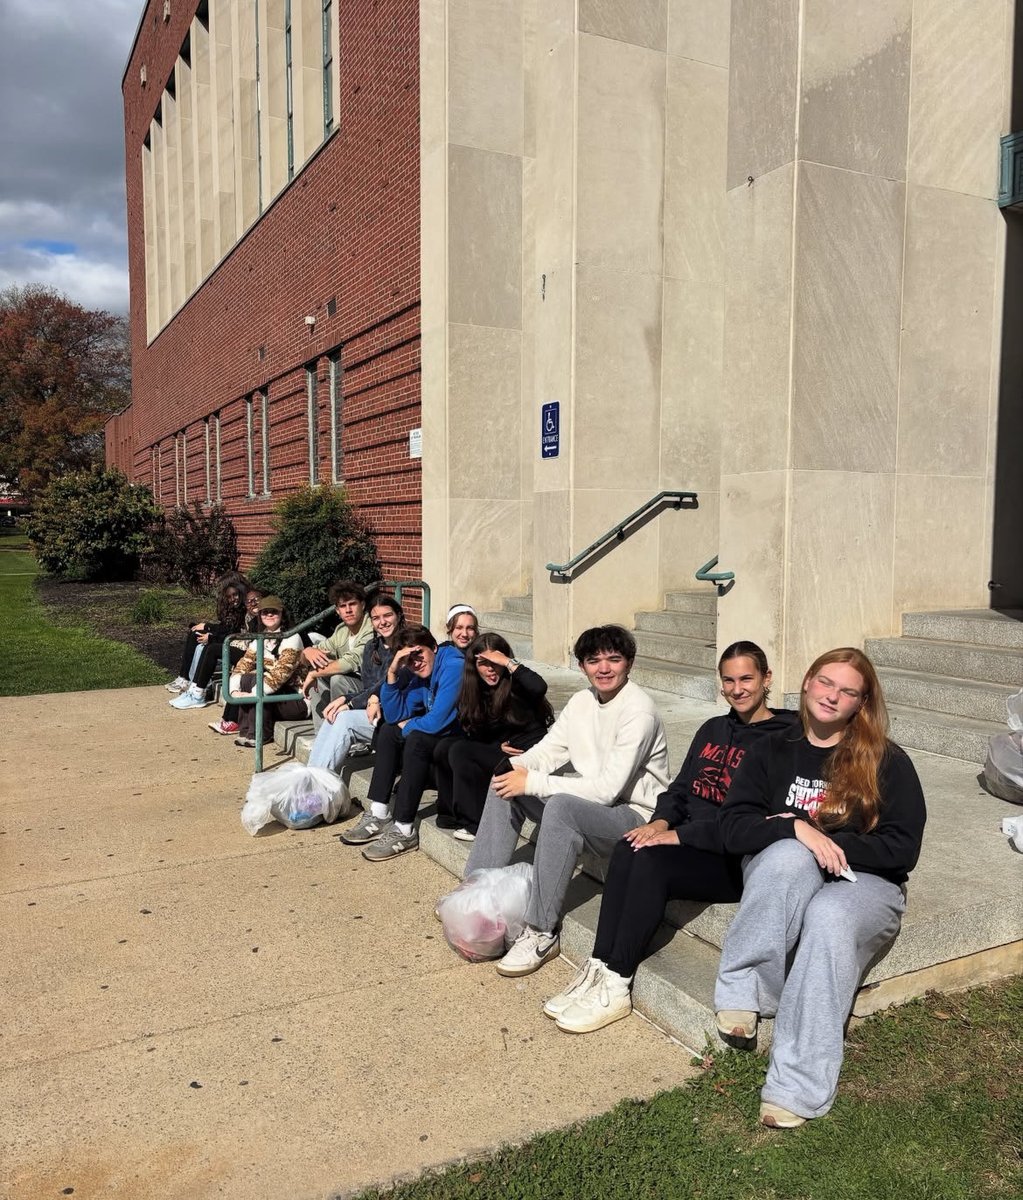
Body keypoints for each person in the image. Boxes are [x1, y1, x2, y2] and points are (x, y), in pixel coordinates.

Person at [712, 647, 926, 1128]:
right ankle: (745, 989)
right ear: (807, 683)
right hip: (788, 872)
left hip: (866, 885)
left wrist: (828, 838)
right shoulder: (771, 749)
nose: (833, 696)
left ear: (861, 703)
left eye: (848, 691)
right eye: (826, 683)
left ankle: (797, 1085)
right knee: (787, 856)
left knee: (827, 915)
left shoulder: (886, 760)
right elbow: (733, 827)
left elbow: (901, 848)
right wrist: (795, 829)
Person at [546, 641, 797, 1034]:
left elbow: (751, 820)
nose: (737, 688)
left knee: (649, 859)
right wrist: (662, 822)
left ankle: (619, 981)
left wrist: (680, 836)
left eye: (747, 678)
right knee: (631, 843)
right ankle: (599, 965)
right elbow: (679, 789)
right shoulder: (713, 728)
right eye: (728, 680)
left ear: (767, 679)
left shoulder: (785, 740)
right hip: (686, 839)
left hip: (729, 856)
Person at [461, 625, 670, 977]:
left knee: (558, 805)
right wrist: (516, 766)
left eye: (613, 660)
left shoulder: (639, 712)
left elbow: (607, 790)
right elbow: (549, 750)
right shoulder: (582, 701)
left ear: (629, 664)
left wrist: (535, 782)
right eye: (593, 661)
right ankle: (475, 893)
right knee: (505, 784)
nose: (603, 669)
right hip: (591, 805)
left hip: (633, 817)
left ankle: (541, 930)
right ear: (582, 665)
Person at [345, 607, 478, 858]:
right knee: (388, 730)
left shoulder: (452, 666)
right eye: (409, 659)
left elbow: (438, 721)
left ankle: (404, 829)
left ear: (434, 648)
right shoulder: (422, 673)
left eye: (419, 654)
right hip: (443, 742)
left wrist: (411, 726)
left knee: (415, 737)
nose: (415, 662)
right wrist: (393, 672)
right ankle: (380, 811)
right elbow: (396, 714)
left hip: (464, 747)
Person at [433, 632, 554, 841]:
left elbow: (539, 686)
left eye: (495, 662)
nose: (490, 669)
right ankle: (450, 814)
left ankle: (476, 824)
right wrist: (497, 747)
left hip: (528, 757)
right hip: (499, 752)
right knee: (444, 746)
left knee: (461, 750)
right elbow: (478, 733)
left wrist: (508, 662)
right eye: (483, 663)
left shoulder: (517, 686)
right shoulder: (475, 690)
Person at [304, 593, 406, 772]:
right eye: (376, 618)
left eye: (387, 615)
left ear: (398, 615)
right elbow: (369, 688)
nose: (382, 622)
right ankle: (312, 776)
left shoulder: (408, 645)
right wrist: (344, 699)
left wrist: (350, 703)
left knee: (345, 719)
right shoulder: (371, 647)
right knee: (335, 713)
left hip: (399, 717)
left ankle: (319, 781)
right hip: (375, 714)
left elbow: (388, 684)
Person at [230, 596, 309, 748]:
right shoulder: (262, 637)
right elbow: (244, 663)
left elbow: (279, 675)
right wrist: (233, 690)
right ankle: (246, 731)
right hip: (278, 694)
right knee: (246, 678)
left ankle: (261, 734)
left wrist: (253, 694)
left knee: (257, 681)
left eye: (274, 612)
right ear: (259, 616)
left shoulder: (292, 637)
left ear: (282, 614)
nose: (269, 615)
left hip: (298, 700)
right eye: (265, 612)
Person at [166, 572, 250, 709]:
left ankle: (198, 691)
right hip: (234, 640)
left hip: (242, 645)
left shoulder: (246, 608)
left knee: (209, 648)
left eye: (234, 594)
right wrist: (207, 628)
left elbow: (235, 633)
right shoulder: (234, 605)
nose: (231, 598)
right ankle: (187, 681)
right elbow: (227, 628)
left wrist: (210, 634)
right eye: (228, 595)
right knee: (195, 633)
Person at [301, 580, 374, 728]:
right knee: (319, 678)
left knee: (337, 679)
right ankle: (322, 733)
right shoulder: (341, 631)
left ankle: (348, 734)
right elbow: (306, 659)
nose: (348, 610)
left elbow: (349, 663)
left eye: (352, 604)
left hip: (371, 689)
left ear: (363, 605)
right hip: (354, 687)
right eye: (343, 606)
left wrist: (314, 673)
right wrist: (308, 651)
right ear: (337, 611)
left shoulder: (371, 628)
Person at [208, 587, 265, 735]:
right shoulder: (253, 620)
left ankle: (232, 721)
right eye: (249, 602)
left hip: (270, 663)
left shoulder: (270, 619)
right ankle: (228, 719)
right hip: (257, 658)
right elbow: (253, 646)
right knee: (240, 672)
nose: (253, 604)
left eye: (256, 600)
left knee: (245, 676)